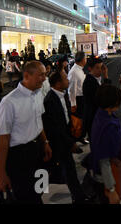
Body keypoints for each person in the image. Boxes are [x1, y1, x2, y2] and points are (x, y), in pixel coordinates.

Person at [0, 61, 52, 204]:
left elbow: (38, 121)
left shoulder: (38, 93)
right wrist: (2, 174)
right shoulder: (8, 103)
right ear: (26, 75)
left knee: (41, 189)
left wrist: (45, 142)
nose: (44, 78)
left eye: (45, 74)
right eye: (41, 75)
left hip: (38, 150)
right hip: (19, 157)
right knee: (26, 197)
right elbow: (3, 142)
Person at [42, 70, 89, 204]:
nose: (68, 80)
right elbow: (56, 127)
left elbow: (65, 119)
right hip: (57, 142)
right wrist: (70, 143)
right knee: (57, 169)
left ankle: (78, 196)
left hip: (64, 139)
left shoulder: (63, 95)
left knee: (68, 169)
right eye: (65, 78)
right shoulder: (50, 100)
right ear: (58, 83)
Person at [91, 84, 121, 204]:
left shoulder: (102, 114)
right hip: (106, 178)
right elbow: (104, 161)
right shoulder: (108, 126)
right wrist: (111, 190)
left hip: (106, 173)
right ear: (112, 103)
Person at [83, 57, 111, 143]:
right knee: (96, 143)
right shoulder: (89, 82)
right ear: (90, 69)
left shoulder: (97, 79)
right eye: (97, 68)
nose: (100, 70)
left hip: (98, 117)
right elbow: (104, 96)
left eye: (101, 67)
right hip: (94, 118)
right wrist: (106, 77)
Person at [68, 52, 88, 144]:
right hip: (78, 99)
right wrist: (73, 103)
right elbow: (72, 89)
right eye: (85, 58)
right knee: (78, 121)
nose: (86, 60)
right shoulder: (74, 71)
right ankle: (76, 139)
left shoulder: (79, 69)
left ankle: (81, 137)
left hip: (82, 98)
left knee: (82, 119)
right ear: (82, 60)